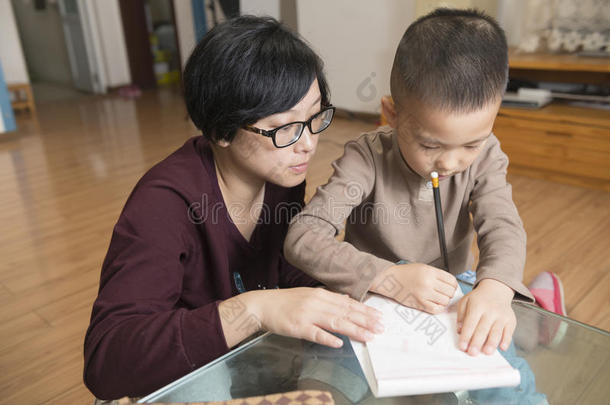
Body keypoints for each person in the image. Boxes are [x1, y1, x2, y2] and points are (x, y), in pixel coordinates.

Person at [83, 16, 383, 401]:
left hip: (250, 361)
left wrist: (359, 290)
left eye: (314, 117)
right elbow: (107, 361)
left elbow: (290, 269)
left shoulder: (279, 175)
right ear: (222, 130)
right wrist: (253, 310)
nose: (308, 143)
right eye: (286, 128)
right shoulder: (163, 204)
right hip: (182, 373)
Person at [284, 8, 536, 359]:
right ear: (391, 114)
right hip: (373, 296)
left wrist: (495, 288)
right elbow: (303, 237)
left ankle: (538, 313)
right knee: (329, 379)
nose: (450, 162)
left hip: (448, 299)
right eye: (430, 145)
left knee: (505, 375)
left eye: (471, 143)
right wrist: (387, 278)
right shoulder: (367, 158)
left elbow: (503, 226)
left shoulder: (487, 155)